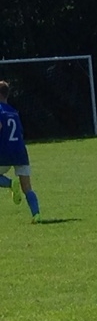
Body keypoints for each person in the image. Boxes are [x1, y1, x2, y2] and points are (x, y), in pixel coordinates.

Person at [0, 81, 41, 223]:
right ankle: (36, 214)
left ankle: (10, 183)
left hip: (5, 152)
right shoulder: (14, 112)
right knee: (27, 187)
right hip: (20, 151)